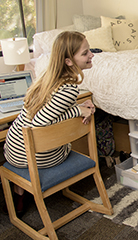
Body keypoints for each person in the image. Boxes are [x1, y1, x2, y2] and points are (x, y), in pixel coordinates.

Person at [2, 31, 96, 216]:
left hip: (13, 150)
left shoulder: (48, 78)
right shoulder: (69, 88)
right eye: (85, 53)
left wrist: (78, 106)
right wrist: (78, 111)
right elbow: (40, 123)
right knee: (66, 144)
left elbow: (53, 109)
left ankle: (19, 192)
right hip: (34, 157)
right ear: (69, 61)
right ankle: (28, 187)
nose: (91, 55)